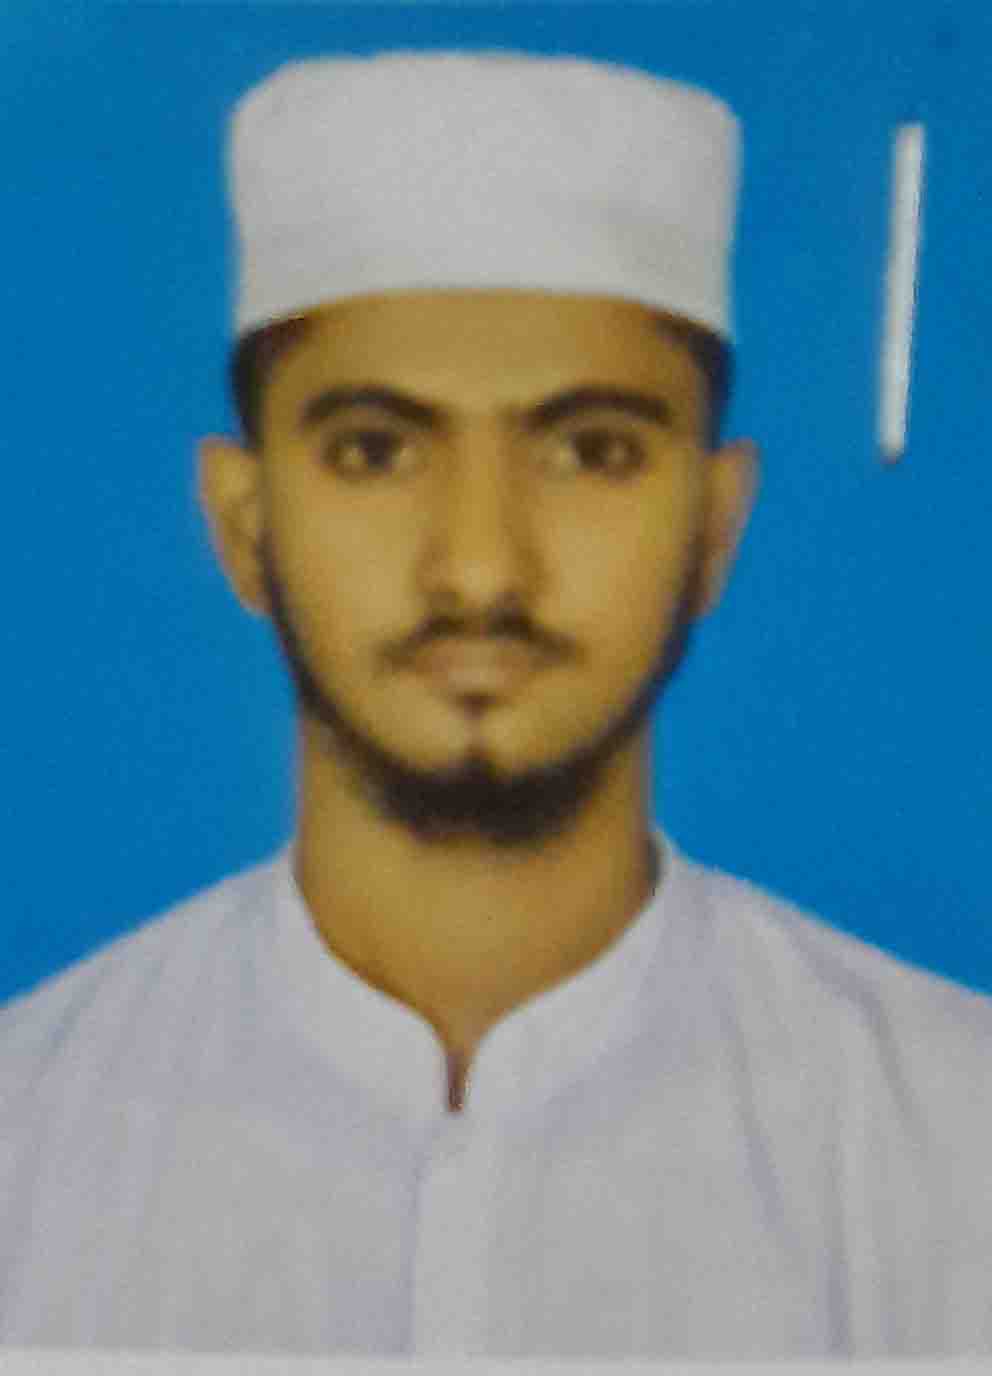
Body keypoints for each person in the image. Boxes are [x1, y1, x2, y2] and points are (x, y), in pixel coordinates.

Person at [1, 49, 990, 1361]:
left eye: (592, 451)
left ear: (715, 524)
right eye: (374, 450)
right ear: (243, 523)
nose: (479, 569)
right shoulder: (29, 1142)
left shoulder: (954, 1148)